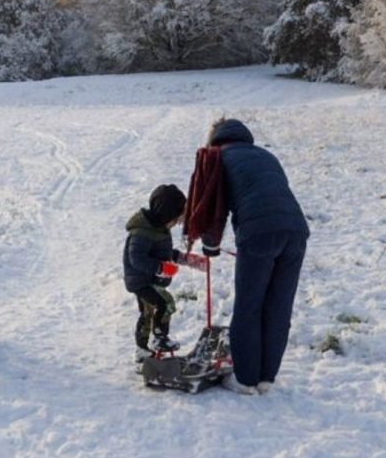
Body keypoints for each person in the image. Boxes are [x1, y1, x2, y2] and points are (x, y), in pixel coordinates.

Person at [184, 118, 309, 395]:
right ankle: (266, 378)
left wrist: (210, 245)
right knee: (278, 305)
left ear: (215, 138)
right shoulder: (266, 155)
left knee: (249, 305)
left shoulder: (216, 158)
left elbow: (213, 205)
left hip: (258, 232)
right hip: (296, 230)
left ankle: (244, 379)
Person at [123, 184, 188, 362]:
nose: (176, 223)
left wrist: (184, 258)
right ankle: (159, 338)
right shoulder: (142, 232)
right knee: (165, 304)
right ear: (165, 214)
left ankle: (143, 350)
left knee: (148, 313)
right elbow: (136, 258)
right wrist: (161, 268)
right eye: (175, 219)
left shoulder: (158, 228)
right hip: (141, 281)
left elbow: (162, 252)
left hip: (148, 279)